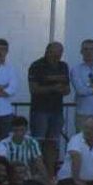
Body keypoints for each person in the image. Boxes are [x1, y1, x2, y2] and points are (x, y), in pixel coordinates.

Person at [28, 41, 71, 176]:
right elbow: (33, 89)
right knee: (38, 144)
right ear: (47, 51)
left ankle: (51, 175)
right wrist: (53, 88)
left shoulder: (63, 66)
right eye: (55, 54)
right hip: (40, 110)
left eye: (60, 54)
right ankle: (35, 174)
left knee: (53, 143)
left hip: (57, 110)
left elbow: (68, 89)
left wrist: (62, 89)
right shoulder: (36, 66)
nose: (57, 57)